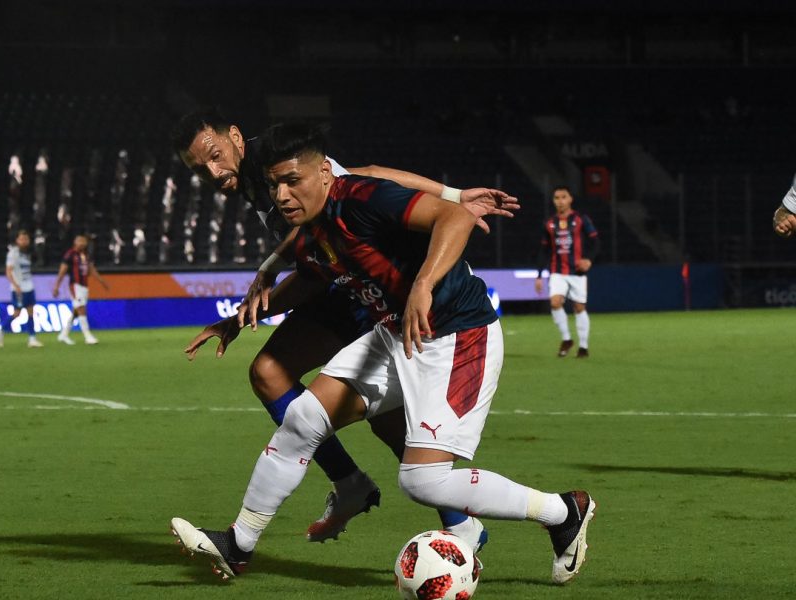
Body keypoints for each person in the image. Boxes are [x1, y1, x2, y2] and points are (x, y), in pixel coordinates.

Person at [171, 123, 594, 585]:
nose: (283, 194)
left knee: (420, 481)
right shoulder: (310, 232)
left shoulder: (360, 198)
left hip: (457, 333)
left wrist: (424, 283)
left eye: (293, 181)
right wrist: (237, 320)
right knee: (302, 419)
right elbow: (310, 280)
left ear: (325, 174)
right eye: (275, 186)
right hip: (396, 334)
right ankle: (239, 545)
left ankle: (563, 511)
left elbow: (453, 218)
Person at [534, 186, 599, 358]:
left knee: (579, 307)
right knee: (555, 302)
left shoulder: (581, 219)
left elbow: (595, 242)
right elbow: (544, 250)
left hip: (577, 271)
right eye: (556, 197)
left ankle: (583, 346)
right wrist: (539, 275)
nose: (560, 201)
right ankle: (567, 339)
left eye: (564, 197)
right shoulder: (549, 223)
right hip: (557, 271)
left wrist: (589, 260)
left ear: (570, 199)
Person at [53, 234, 110, 345]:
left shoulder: (85, 255)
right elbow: (63, 270)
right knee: (82, 309)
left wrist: (102, 281)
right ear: (75, 242)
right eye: (79, 240)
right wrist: (56, 286)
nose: (82, 243)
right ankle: (88, 336)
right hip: (75, 285)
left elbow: (91, 269)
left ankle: (64, 334)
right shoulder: (70, 254)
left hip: (84, 286)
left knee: (76, 312)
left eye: (84, 241)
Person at [0, 229, 42, 348]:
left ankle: (32, 339)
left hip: (29, 285)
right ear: (17, 240)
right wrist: (16, 286)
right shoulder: (13, 253)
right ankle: (1, 330)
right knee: (17, 313)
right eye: (22, 239)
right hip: (19, 288)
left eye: (26, 239)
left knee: (31, 311)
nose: (24, 241)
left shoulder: (28, 253)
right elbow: (8, 271)